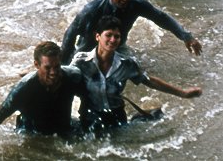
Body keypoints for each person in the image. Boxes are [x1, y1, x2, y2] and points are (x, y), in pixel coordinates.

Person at [72, 16, 202, 133]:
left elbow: (150, 81)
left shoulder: (126, 64)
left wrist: (183, 93)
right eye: (109, 35)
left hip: (116, 117)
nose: (113, 40)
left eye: (117, 36)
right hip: (89, 116)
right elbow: (63, 78)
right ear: (97, 36)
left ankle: (147, 115)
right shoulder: (81, 61)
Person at [0, 41, 86, 157]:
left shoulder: (73, 76)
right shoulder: (25, 88)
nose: (53, 72)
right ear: (37, 65)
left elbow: (89, 98)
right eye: (48, 68)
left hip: (64, 130)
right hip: (31, 134)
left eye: (57, 66)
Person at [61, 0, 202, 65]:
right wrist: (64, 64)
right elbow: (70, 33)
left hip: (118, 47)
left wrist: (186, 36)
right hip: (89, 48)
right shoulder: (92, 9)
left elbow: (161, 17)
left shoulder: (136, 4)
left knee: (132, 69)